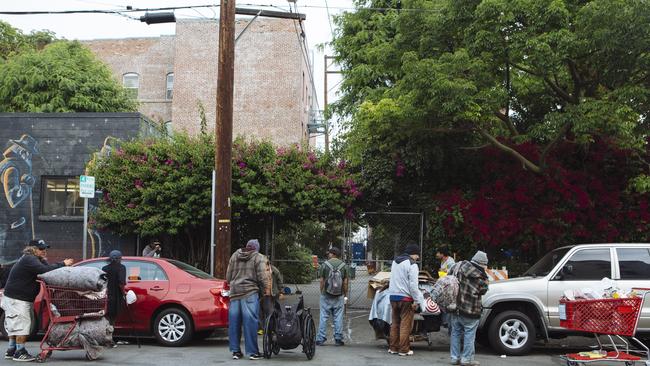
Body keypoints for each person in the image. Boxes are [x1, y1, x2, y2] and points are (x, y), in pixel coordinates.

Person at [1, 239, 73, 361]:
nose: (44, 251)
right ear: (32, 249)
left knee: (15, 324)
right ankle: (20, 352)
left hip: (16, 297)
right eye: (41, 249)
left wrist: (45, 260)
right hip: (17, 299)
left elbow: (46, 268)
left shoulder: (33, 259)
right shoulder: (29, 259)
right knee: (22, 326)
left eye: (45, 248)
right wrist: (63, 264)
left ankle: (11, 349)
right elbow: (45, 271)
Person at [226, 239, 270, 360]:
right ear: (256, 248)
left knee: (234, 323)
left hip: (234, 293)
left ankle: (235, 352)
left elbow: (228, 277)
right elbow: (262, 276)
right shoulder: (258, 257)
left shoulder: (235, 255)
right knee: (250, 323)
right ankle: (252, 352)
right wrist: (267, 289)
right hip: (250, 293)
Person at [449, 251, 489, 366]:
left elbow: (449, 278)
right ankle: (466, 359)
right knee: (469, 334)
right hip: (471, 310)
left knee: (455, 333)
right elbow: (483, 290)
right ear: (482, 263)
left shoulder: (458, 266)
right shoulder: (481, 275)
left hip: (455, 307)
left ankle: (454, 358)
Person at [387, 244, 425, 356]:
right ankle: (404, 349)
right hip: (405, 298)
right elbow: (413, 286)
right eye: (417, 255)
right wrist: (417, 300)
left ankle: (393, 348)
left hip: (393, 296)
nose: (418, 258)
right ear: (414, 253)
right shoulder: (412, 264)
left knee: (394, 323)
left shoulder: (395, 262)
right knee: (405, 324)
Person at [316, 247, 348, 346]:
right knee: (338, 317)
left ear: (333, 254)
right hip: (339, 295)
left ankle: (321, 338)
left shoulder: (325, 265)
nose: (328, 255)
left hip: (326, 294)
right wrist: (345, 294)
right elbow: (345, 282)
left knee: (323, 316)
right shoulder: (344, 266)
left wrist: (321, 291)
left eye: (329, 253)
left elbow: (321, 280)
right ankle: (338, 339)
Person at [102, 250, 126, 325]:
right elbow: (121, 283)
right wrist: (124, 293)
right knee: (113, 317)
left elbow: (102, 282)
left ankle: (106, 331)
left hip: (106, 296)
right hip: (116, 297)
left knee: (106, 316)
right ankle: (110, 332)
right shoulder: (121, 268)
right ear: (120, 259)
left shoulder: (104, 268)